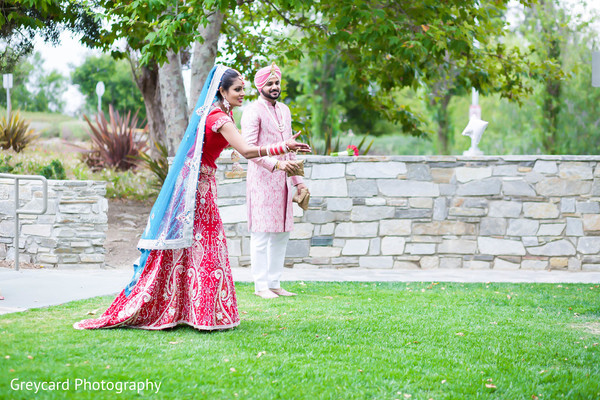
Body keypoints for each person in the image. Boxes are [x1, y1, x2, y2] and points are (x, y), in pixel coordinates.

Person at [73, 66, 311, 331]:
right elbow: (246, 150)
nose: (243, 94)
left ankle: (189, 310)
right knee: (208, 244)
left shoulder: (218, 114)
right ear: (221, 91)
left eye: (243, 89)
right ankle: (203, 313)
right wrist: (283, 148)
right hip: (198, 189)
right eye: (237, 89)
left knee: (194, 246)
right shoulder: (218, 118)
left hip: (201, 183)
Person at [241, 63, 310, 299]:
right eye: (269, 83)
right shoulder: (252, 111)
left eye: (277, 83)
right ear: (260, 86)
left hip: (284, 182)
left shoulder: (284, 110)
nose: (274, 87)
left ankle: (275, 283)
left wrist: (298, 182)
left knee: (281, 233)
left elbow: (289, 151)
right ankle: (261, 286)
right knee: (261, 233)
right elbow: (249, 150)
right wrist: (274, 164)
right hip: (262, 180)